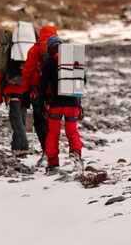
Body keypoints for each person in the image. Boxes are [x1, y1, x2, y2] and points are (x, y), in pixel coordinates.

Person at [39, 36, 84, 174]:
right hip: (72, 103)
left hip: (55, 104)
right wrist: (79, 103)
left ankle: (53, 163)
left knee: (53, 133)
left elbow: (43, 85)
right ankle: (76, 154)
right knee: (72, 131)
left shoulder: (49, 62)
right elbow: (82, 80)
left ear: (50, 49)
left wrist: (42, 102)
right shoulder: (73, 60)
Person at [21, 25, 58, 166]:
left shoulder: (34, 49)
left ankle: (46, 152)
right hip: (56, 93)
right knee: (52, 122)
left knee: (39, 122)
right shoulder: (60, 48)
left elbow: (27, 72)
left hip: (37, 92)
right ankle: (54, 153)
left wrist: (24, 92)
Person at [0, 29, 29, 157]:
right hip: (25, 91)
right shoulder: (25, 52)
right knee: (22, 119)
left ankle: (24, 146)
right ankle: (16, 147)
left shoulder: (5, 55)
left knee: (16, 121)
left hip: (13, 92)